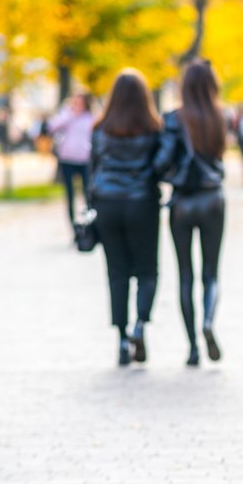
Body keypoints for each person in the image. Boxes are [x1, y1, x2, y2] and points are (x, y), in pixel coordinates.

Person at [154, 60, 228, 367]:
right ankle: (208, 321)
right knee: (211, 273)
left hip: (182, 203)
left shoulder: (173, 119)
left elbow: (162, 162)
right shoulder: (219, 117)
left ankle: (193, 348)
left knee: (186, 274)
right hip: (212, 199)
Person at [90, 70, 163, 367]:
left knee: (117, 273)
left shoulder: (100, 129)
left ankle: (121, 338)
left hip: (108, 204)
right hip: (142, 203)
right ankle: (139, 325)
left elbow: (91, 169)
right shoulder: (153, 129)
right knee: (147, 271)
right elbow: (160, 166)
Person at [49, 92, 95, 231]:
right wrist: (69, 114)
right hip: (67, 159)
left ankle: (89, 225)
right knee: (70, 195)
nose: (78, 105)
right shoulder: (67, 115)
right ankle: (73, 227)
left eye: (81, 102)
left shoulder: (91, 118)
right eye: (76, 102)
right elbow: (52, 127)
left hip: (84, 159)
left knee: (88, 193)